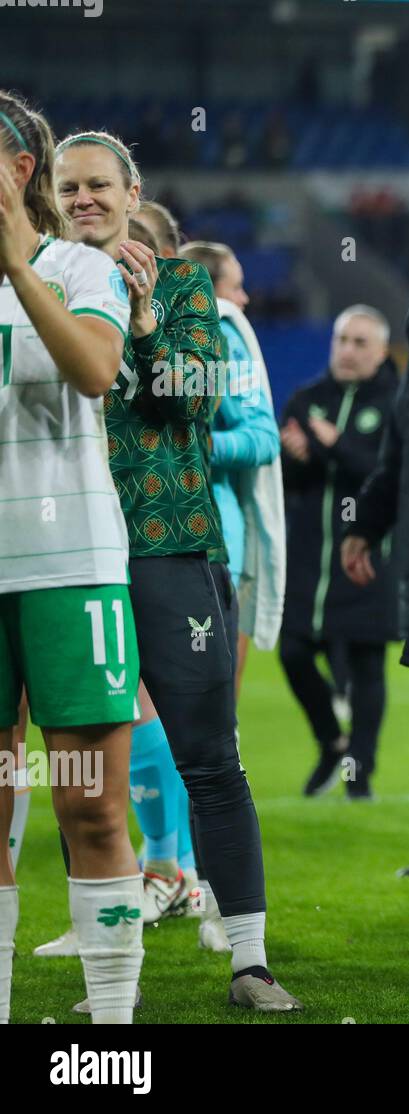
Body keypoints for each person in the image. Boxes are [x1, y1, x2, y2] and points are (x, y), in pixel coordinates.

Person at [52, 129, 300, 1010]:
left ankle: (250, 960)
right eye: (69, 186)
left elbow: (189, 399)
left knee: (209, 758)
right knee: (88, 773)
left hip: (171, 545)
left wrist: (149, 317)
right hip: (70, 555)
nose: (84, 199)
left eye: (98, 185)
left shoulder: (189, 286)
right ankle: (109, 975)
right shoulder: (38, 289)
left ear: (131, 190)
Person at [0, 92, 144, 1025]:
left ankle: (112, 1034)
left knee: (89, 806)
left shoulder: (79, 266)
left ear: (19, 168)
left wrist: (17, 266)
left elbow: (94, 372)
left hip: (69, 566)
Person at [179, 238, 285, 951]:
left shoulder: (223, 330)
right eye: (236, 286)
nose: (243, 300)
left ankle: (215, 901)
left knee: (211, 736)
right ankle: (153, 877)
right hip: (113, 542)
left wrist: (181, 447)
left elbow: (260, 436)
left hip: (212, 549)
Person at [279, 305, 398, 801]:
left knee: (368, 667)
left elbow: (382, 472)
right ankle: (332, 741)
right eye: (342, 340)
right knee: (292, 651)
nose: (347, 351)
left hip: (367, 556)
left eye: (360, 343)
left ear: (381, 351)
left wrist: (333, 445)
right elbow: (284, 480)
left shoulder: (393, 402)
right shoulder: (307, 399)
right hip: (309, 558)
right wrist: (293, 458)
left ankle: (359, 774)